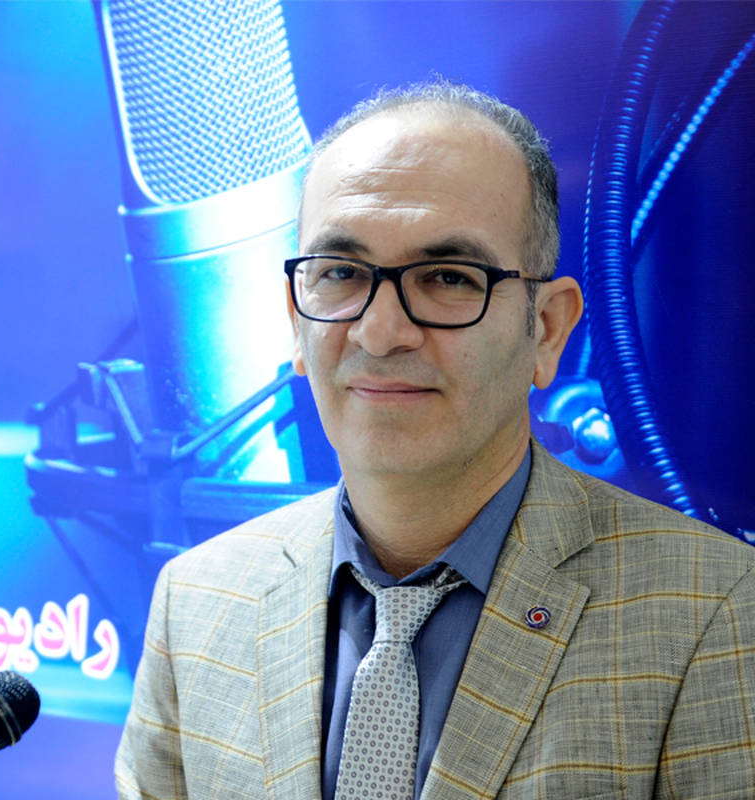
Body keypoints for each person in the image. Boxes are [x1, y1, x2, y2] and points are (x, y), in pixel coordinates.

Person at [114, 81, 755, 799]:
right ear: (295, 322)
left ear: (546, 329)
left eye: (448, 277)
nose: (380, 332)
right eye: (340, 274)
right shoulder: (196, 603)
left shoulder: (717, 615)